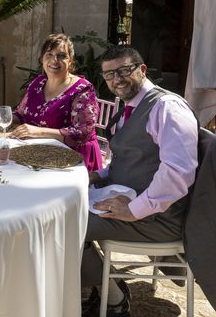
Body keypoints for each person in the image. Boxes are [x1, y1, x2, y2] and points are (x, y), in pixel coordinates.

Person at [81, 45, 198, 317]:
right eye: (109, 75)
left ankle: (114, 297)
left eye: (124, 70)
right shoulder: (132, 107)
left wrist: (133, 211)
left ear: (142, 69)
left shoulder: (167, 107)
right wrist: (101, 174)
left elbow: (178, 173)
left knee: (66, 223)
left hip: (158, 217)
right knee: (65, 205)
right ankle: (103, 283)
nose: (117, 79)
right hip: (132, 200)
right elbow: (134, 157)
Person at [11, 33, 102, 172]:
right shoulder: (37, 83)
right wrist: (2, 118)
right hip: (38, 154)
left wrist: (38, 132)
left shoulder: (82, 89)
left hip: (75, 160)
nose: (54, 60)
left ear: (70, 61)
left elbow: (82, 133)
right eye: (49, 55)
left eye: (61, 56)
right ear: (42, 59)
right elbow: (21, 114)